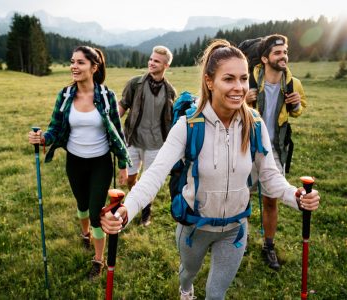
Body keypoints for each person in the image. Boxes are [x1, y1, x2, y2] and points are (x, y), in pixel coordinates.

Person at [100, 39, 320, 299]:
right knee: (188, 273)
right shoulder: (188, 126)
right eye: (229, 79)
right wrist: (126, 211)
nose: (239, 87)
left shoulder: (255, 125)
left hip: (235, 229)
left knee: (216, 294)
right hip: (194, 228)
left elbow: (270, 177)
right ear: (209, 81)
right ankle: (186, 290)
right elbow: (154, 176)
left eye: (243, 78)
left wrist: (296, 196)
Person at [28, 46, 131, 280]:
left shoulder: (106, 96)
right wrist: (43, 138)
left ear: (94, 67)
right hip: (74, 161)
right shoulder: (65, 95)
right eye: (72, 62)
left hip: (100, 163)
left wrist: (123, 163)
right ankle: (85, 234)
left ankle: (98, 260)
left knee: (96, 212)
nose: (74, 66)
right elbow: (55, 128)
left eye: (80, 62)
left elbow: (117, 132)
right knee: (82, 205)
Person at [246, 34, 307, 271]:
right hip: (248, 146)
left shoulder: (293, 83)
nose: (283, 57)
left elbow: (297, 112)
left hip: (276, 150)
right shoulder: (249, 79)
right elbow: (230, 106)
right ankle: (239, 239)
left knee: (271, 200)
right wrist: (245, 99)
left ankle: (268, 245)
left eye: (285, 52)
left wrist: (296, 104)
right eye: (278, 53)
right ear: (264, 58)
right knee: (241, 197)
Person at [118, 45, 176, 226]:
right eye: (150, 59)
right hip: (133, 139)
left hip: (156, 144)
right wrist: (110, 122)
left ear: (165, 65)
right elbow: (123, 105)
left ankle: (145, 210)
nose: (151, 63)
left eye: (156, 61)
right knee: (130, 178)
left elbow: (172, 119)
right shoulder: (135, 84)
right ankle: (136, 200)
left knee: (149, 181)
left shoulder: (170, 91)